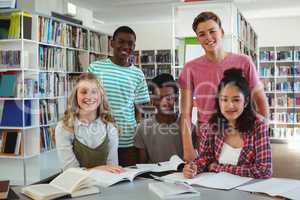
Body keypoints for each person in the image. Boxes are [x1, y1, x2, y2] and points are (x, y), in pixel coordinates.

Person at [178, 11, 269, 162]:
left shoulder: (244, 61)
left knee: (245, 177)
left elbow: (260, 100)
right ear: (198, 38)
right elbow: (186, 114)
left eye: (212, 31)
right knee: (208, 179)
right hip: (208, 139)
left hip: (242, 135)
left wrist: (263, 134)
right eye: (202, 34)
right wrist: (188, 149)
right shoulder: (190, 68)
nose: (208, 37)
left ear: (222, 32)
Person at [183, 68, 272, 179]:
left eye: (236, 100)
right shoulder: (210, 128)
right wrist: (193, 167)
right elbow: (205, 159)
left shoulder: (259, 127)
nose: (230, 106)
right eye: (224, 100)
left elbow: (264, 171)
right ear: (219, 101)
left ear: (246, 102)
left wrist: (217, 167)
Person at [88, 26, 150, 166]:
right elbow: (86, 102)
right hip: (99, 139)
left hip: (128, 141)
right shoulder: (95, 68)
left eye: (130, 44)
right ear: (112, 43)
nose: (125, 46)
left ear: (134, 47)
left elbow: (140, 108)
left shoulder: (138, 74)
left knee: (128, 183)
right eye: (121, 41)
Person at [55, 73, 124, 173]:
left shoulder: (110, 127)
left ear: (100, 96)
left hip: (105, 184)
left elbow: (113, 168)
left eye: (94, 92)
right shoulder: (64, 127)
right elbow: (70, 172)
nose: (89, 96)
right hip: (75, 186)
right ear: (76, 96)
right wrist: (98, 170)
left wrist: (98, 171)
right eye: (83, 92)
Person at [134, 74, 198, 163]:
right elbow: (142, 165)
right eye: (159, 98)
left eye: (168, 98)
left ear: (175, 99)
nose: (164, 103)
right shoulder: (142, 128)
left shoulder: (189, 127)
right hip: (153, 176)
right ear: (152, 100)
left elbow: (195, 160)